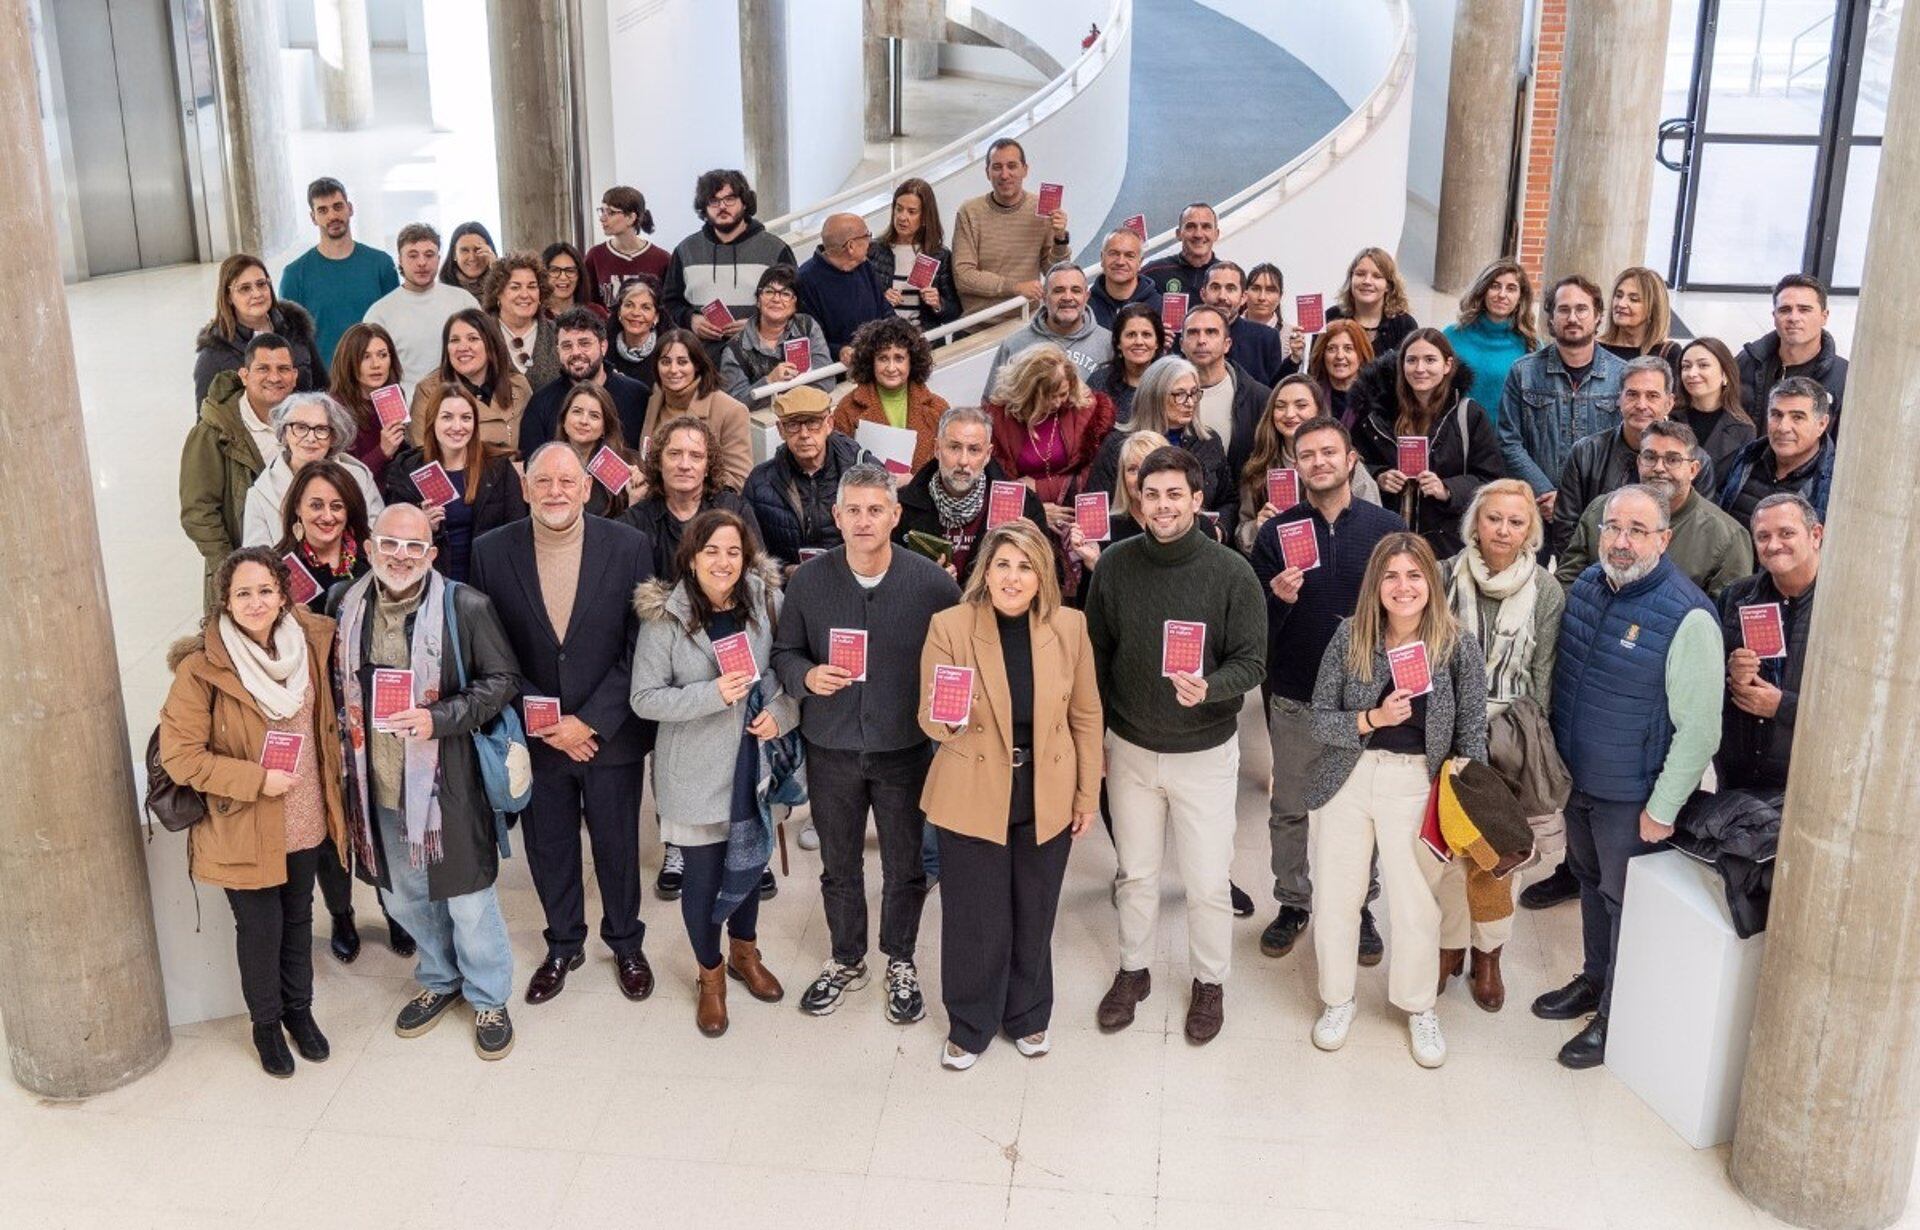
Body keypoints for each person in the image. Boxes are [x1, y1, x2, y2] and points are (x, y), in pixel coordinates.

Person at [1533, 484, 1722, 1069]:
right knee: (1588, 883)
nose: (1621, 540)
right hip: (1580, 781)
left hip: (1632, 796)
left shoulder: (1688, 615)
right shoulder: (1588, 586)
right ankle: (1593, 981)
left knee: (1624, 903)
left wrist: (1662, 807)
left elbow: (1699, 731)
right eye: (1613, 527)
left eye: (1638, 531)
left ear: (1664, 539)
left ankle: (1619, 1016)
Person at [328, 503, 523, 1061]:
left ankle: (488, 995)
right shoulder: (345, 606)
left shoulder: (465, 606)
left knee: (467, 899)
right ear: (369, 548)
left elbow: (502, 680)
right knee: (405, 897)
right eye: (390, 545)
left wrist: (438, 718)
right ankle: (439, 979)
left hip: (449, 786)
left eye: (415, 548)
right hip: (377, 786)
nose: (401, 557)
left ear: (432, 554)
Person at [1085, 447, 1266, 1044]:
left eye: (1173, 495)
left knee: (1208, 881)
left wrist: (1211, 687)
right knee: (1135, 873)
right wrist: (1106, 733)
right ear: (1138, 501)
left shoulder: (1231, 572)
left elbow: (1252, 660)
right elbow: (1098, 654)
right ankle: (1133, 971)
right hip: (1132, 748)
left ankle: (1209, 982)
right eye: (1150, 495)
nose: (1161, 505)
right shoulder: (1113, 565)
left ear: (1195, 500)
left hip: (1205, 753)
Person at [468, 444, 658, 1005]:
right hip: (537, 735)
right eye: (543, 480)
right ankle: (563, 942)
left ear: (585, 487)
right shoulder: (490, 551)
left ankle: (625, 942)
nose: (555, 490)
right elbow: (491, 647)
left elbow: (640, 645)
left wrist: (591, 722)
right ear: (526, 487)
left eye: (566, 480)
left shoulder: (629, 545)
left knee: (618, 843)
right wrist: (551, 724)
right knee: (548, 846)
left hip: (609, 735)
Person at [772, 464, 962, 1021]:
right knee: (838, 862)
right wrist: (807, 677)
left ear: (895, 515)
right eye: (852, 510)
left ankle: (899, 958)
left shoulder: (932, 585)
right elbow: (784, 653)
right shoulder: (808, 582)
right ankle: (846, 956)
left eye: (875, 509)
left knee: (905, 863)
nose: (863, 520)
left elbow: (959, 662)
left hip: (904, 748)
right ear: (836, 516)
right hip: (830, 747)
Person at [159, 547, 349, 1077]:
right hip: (244, 820)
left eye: (266, 590)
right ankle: (266, 1024)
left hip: (306, 813)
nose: (256, 601)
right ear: (224, 601)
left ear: (284, 594)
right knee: (260, 929)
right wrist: (256, 779)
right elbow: (180, 757)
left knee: (298, 919)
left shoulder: (308, 643)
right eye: (243, 592)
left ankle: (301, 1013)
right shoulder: (202, 669)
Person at [920, 521, 1102, 1069]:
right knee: (976, 915)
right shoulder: (950, 625)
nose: (1013, 577)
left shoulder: (1069, 627)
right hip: (973, 786)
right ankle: (971, 1021)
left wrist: (1086, 794)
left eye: (1025, 566)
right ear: (986, 572)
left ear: (1042, 575)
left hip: (1045, 785)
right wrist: (945, 717)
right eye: (1002, 564)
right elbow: (929, 718)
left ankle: (1027, 1013)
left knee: (1035, 908)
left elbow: (1087, 716)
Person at [1305, 534, 1487, 1067]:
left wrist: (1462, 794)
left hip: (1417, 785)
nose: (1403, 587)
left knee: (1415, 906)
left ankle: (1418, 1005)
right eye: (1391, 576)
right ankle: (1337, 1000)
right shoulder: (1350, 636)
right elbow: (1319, 717)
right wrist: (1372, 719)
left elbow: (1472, 731)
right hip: (1350, 777)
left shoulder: (1456, 644)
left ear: (1430, 581)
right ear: (1375, 585)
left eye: (1413, 575)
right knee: (1338, 896)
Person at [631, 510, 798, 1034]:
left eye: (733, 551)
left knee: (749, 866)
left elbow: (779, 672)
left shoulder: (766, 601)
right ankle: (712, 975)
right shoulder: (666, 618)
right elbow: (643, 699)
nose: (723, 562)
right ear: (692, 557)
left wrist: (781, 713)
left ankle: (746, 955)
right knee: (703, 881)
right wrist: (711, 694)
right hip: (693, 773)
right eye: (712, 552)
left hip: (753, 765)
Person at [1250, 416, 1407, 962]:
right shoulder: (1275, 534)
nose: (1318, 462)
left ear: (1350, 461)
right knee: (1290, 807)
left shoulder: (1386, 528)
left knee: (1359, 809)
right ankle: (1293, 902)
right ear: (1295, 466)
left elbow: (1407, 608)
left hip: (1362, 699)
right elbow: (1256, 629)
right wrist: (1280, 599)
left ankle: (1360, 905)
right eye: (1307, 455)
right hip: (1294, 694)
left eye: (1328, 453)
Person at [270, 462, 415, 964]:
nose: (327, 515)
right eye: (316, 505)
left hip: (373, 714)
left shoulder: (373, 565)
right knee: (330, 822)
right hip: (310, 717)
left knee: (379, 814)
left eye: (337, 505)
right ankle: (343, 916)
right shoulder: (277, 572)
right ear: (297, 511)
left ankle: (396, 911)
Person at [1435, 480, 1563, 1011]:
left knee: (1496, 856)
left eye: (1516, 521)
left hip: (1511, 732)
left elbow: (1543, 674)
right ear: (1475, 523)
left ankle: (1488, 956)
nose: (1503, 531)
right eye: (1494, 519)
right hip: (1446, 728)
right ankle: (1448, 949)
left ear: (1530, 531)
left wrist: (1532, 744)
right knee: (1447, 851)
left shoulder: (1547, 592)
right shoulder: (1443, 574)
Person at [1349, 327, 1502, 558]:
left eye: (1430, 360)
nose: (1420, 369)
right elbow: (1353, 464)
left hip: (1447, 544)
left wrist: (1448, 489)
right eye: (1412, 360)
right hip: (1385, 541)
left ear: (1447, 365)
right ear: (1402, 365)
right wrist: (1379, 476)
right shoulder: (1375, 416)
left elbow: (1491, 481)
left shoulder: (1469, 415)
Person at [1558, 419, 1752, 596]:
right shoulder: (1602, 509)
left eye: (1672, 459)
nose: (1659, 467)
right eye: (1650, 457)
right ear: (1639, 462)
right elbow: (1568, 582)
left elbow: (1725, 617)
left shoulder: (1728, 537)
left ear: (1693, 470)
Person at [1551, 356, 1716, 556]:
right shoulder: (1585, 453)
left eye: (1652, 395)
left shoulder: (1697, 461)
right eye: (1632, 394)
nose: (1641, 404)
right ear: (1619, 398)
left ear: (1669, 402)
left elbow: (1698, 531)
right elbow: (1566, 530)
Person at [182, 335, 301, 609]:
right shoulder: (213, 432)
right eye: (263, 369)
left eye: (283, 369)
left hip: (298, 571)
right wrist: (232, 570)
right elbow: (198, 513)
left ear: (295, 376)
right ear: (244, 375)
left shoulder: (306, 423)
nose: (274, 377)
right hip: (242, 576)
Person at [1495, 275, 1629, 514]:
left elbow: (1626, 445)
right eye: (1563, 309)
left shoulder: (1622, 375)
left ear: (1598, 315)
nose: (1573, 318)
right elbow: (1508, 441)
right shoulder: (1523, 372)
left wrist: (1583, 501)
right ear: (1551, 317)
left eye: (1582, 309)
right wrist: (1546, 494)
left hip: (1599, 510)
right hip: (1537, 508)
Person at [1715, 493, 1821, 792]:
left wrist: (1784, 707)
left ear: (1816, 535)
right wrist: (1731, 673)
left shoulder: (1843, 606)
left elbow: (1858, 706)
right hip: (1739, 779)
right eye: (1763, 536)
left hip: (1808, 781)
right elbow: (1709, 684)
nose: (1774, 545)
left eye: (1786, 533)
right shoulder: (1737, 596)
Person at [895, 406, 1054, 586]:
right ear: (937, 449)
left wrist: (1038, 548)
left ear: (987, 454)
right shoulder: (902, 506)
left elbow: (1050, 580)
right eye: (954, 447)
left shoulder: (1024, 505)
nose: (963, 461)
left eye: (974, 450)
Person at [382, 387, 527, 582]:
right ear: (433, 422)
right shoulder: (407, 470)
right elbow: (392, 539)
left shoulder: (498, 468)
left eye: (466, 418)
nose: (457, 427)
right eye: (447, 417)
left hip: (487, 583)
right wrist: (422, 526)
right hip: (428, 584)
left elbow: (517, 532)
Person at [1235, 375, 1381, 550]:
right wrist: (1258, 528)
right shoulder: (1258, 468)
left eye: (1301, 405)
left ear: (1318, 411)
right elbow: (1242, 533)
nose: (1289, 414)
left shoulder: (1345, 464)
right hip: (1280, 571)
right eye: (1280, 406)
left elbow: (1374, 525)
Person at [1085, 355, 1232, 526]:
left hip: (1197, 542)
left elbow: (1228, 500)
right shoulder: (1118, 444)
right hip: (1131, 545)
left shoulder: (1208, 441)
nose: (1190, 402)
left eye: (1193, 393)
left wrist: (1220, 530)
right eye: (1179, 394)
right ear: (1154, 396)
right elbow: (1095, 508)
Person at [662, 169, 797, 355]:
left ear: (744, 202)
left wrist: (758, 325)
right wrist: (690, 319)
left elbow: (795, 304)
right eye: (714, 201)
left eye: (730, 199)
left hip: (761, 358)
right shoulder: (685, 250)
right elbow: (670, 302)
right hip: (701, 360)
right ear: (704, 207)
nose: (722, 206)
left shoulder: (775, 249)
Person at [620, 414, 763, 581]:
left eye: (696, 456)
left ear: (708, 467)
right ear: (659, 462)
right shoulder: (635, 520)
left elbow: (758, 577)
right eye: (674, 454)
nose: (684, 465)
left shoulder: (734, 509)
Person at [985, 343, 1117, 522]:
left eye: (1062, 394)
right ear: (1026, 390)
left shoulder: (1087, 410)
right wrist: (1035, 512)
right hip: (1021, 518)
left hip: (1077, 513)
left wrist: (1040, 488)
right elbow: (993, 484)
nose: (1056, 403)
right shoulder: (998, 418)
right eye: (1047, 397)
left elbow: (1095, 474)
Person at [277, 177, 398, 366]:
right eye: (323, 210)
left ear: (350, 208)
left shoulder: (381, 264)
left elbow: (394, 329)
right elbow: (290, 343)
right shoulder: (294, 275)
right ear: (313, 218)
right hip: (324, 387)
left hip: (378, 379)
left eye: (337, 206)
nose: (332, 216)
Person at [745, 387, 871, 566]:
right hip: (789, 588)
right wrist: (786, 572)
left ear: (829, 424)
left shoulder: (864, 471)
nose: (804, 434)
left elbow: (885, 537)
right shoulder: (759, 483)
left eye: (813, 423)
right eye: (793, 425)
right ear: (781, 430)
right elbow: (751, 552)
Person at [241, 391, 385, 547]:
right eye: (300, 427)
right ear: (284, 433)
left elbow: (378, 538)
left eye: (321, 429)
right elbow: (255, 557)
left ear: (334, 437)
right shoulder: (260, 493)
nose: (311, 438)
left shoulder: (359, 478)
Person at [951, 137, 1072, 315]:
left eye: (1012, 166)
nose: (1005, 175)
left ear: (1025, 170)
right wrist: (1015, 288)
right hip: (976, 326)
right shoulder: (969, 212)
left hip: (1025, 322)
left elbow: (1055, 273)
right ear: (987, 172)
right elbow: (964, 276)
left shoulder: (1042, 210)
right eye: (997, 167)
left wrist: (1060, 239)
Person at [365, 223, 480, 400]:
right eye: (412, 255)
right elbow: (372, 377)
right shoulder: (379, 313)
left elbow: (484, 357)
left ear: (439, 258)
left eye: (429, 255)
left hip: (463, 409)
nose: (421, 262)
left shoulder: (463, 301)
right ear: (400, 260)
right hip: (408, 416)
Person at [518, 308, 652, 456]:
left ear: (603, 346)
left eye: (584, 343)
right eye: (567, 346)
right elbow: (531, 464)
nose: (575, 352)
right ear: (558, 351)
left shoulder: (637, 395)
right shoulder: (541, 402)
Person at [194, 255, 325, 405]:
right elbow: (207, 421)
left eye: (261, 284)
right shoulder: (213, 356)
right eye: (245, 288)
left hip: (303, 426)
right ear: (228, 296)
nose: (257, 294)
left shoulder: (296, 328)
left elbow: (323, 389)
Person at [1717, 376, 1838, 529]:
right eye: (1776, 415)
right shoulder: (1748, 457)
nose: (1783, 427)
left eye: (1797, 417)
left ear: (1821, 424)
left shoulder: (1833, 484)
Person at [639, 329, 754, 489]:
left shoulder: (732, 411)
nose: (673, 370)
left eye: (682, 362)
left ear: (697, 364)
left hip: (704, 507)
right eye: (665, 362)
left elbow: (737, 479)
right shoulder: (656, 397)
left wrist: (684, 492)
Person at [834, 315, 949, 474]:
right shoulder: (846, 409)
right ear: (870, 361)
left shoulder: (938, 407)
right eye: (883, 358)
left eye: (899, 358)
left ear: (912, 361)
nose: (891, 367)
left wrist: (915, 482)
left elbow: (948, 464)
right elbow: (839, 469)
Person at [1736, 273, 1849, 434]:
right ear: (1774, 316)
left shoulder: (1844, 378)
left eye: (1804, 310)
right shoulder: (1748, 362)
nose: (1794, 318)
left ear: (1824, 317)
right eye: (1785, 310)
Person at [980, 262, 1114, 397]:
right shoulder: (1014, 345)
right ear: (1044, 297)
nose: (1067, 297)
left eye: (1076, 290)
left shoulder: (1108, 343)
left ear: (1086, 297)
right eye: (1058, 290)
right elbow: (991, 404)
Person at [406, 308, 531, 453]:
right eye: (454, 340)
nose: (463, 347)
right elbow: (423, 455)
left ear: (491, 344)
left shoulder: (518, 385)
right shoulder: (429, 390)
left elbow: (534, 443)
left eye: (473, 338)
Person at [1181, 303, 1271, 482]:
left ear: (1227, 344)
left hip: (1242, 504)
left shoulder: (1259, 398)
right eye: (1193, 332)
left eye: (1211, 332)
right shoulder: (1163, 395)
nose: (1201, 340)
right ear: (1182, 344)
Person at [1443, 258, 1537, 428]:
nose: (1502, 295)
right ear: (1482, 290)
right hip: (1457, 440)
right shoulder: (1452, 336)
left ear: (1520, 297)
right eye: (1495, 286)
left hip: (1507, 444)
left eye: (1511, 288)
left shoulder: (1531, 344)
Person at [718, 265, 831, 404]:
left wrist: (779, 392)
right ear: (758, 300)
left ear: (795, 304)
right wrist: (770, 381)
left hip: (807, 412)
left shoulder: (807, 326)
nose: (776, 299)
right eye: (769, 292)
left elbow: (826, 380)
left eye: (786, 294)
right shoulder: (734, 350)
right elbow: (735, 404)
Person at [870, 177, 963, 331]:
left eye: (911, 212)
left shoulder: (940, 255)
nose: (902, 217)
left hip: (925, 342)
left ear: (925, 217)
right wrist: (881, 301)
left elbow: (954, 313)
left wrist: (938, 303)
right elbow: (860, 305)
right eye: (899, 209)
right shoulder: (874, 250)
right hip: (884, 341)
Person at [798, 213, 893, 362]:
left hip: (878, 362)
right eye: (867, 235)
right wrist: (840, 351)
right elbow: (808, 338)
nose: (870, 241)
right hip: (838, 372)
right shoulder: (805, 279)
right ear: (851, 246)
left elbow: (884, 308)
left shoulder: (865, 266)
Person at [330, 322, 409, 483]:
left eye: (382, 355)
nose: (376, 365)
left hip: (395, 492)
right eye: (365, 357)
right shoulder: (334, 409)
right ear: (349, 362)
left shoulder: (394, 395)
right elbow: (343, 479)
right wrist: (382, 451)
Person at [553, 382, 640, 518]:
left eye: (594, 416)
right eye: (577, 411)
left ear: (605, 427)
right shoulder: (547, 462)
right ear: (564, 419)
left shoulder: (629, 464)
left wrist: (636, 498)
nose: (584, 421)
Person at [1198, 261, 1291, 387]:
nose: (1222, 296)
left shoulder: (1266, 338)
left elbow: (1275, 392)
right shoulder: (1189, 333)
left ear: (1243, 297)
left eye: (1230, 289)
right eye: (1215, 287)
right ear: (1203, 294)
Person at [1676, 337, 1757, 479]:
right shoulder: (1668, 418)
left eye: (1703, 365)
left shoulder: (1743, 430)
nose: (1692, 373)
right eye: (1686, 366)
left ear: (1724, 373)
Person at [481, 254, 560, 390]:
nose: (525, 295)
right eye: (515, 287)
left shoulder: (558, 333)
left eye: (532, 287)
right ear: (498, 293)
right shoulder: (481, 334)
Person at [584, 186, 670, 307]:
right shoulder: (595, 256)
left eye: (611, 212)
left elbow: (668, 306)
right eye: (602, 211)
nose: (602, 218)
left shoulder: (662, 259)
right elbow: (588, 303)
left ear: (631, 218)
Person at [1326, 247, 1418, 356]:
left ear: (1388, 285)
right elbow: (1314, 365)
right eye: (1360, 274)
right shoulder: (1331, 317)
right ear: (1351, 279)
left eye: (1377, 276)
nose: (1367, 281)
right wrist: (1299, 357)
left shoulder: (1404, 325)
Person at [1087, 302, 1167, 422]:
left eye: (1146, 335)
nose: (1139, 342)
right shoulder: (1100, 383)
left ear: (1157, 343)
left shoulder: (1171, 383)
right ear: (1118, 342)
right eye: (1131, 335)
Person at [1598, 266, 1684, 373]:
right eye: (1618, 296)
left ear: (1653, 308)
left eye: (1634, 299)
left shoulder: (1668, 352)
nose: (1621, 304)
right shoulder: (1595, 348)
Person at [1140, 202, 1219, 297]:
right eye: (1190, 227)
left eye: (1206, 227)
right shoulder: (1152, 272)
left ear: (1216, 234)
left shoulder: (1229, 277)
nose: (1198, 234)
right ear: (1178, 234)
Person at [1088, 227, 1161, 327]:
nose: (1120, 262)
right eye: (1113, 254)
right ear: (1102, 258)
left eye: (1129, 255)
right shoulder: (1085, 305)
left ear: (1140, 262)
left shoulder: (1159, 307)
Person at [1310, 319, 1374, 428]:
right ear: (1322, 355)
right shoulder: (1311, 396)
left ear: (1361, 355)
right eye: (1332, 349)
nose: (1339, 356)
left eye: (1348, 348)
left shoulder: (1376, 399)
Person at [604, 277, 665, 388]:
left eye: (645, 307)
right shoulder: (603, 350)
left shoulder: (667, 351)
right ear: (619, 311)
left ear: (656, 317)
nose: (636, 313)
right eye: (629, 305)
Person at [541, 241, 605, 320]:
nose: (563, 277)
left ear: (579, 275)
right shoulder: (536, 315)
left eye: (570, 270)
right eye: (555, 270)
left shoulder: (596, 313)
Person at [439, 221, 496, 297]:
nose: (472, 258)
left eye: (478, 249)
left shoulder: (506, 284)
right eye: (465, 250)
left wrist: (497, 270)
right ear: (454, 255)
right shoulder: (441, 292)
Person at [1241, 262, 1286, 332]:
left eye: (1270, 290)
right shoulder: (1226, 330)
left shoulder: (1291, 336)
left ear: (1280, 296)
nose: (1262, 297)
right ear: (1245, 293)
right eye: (1256, 289)